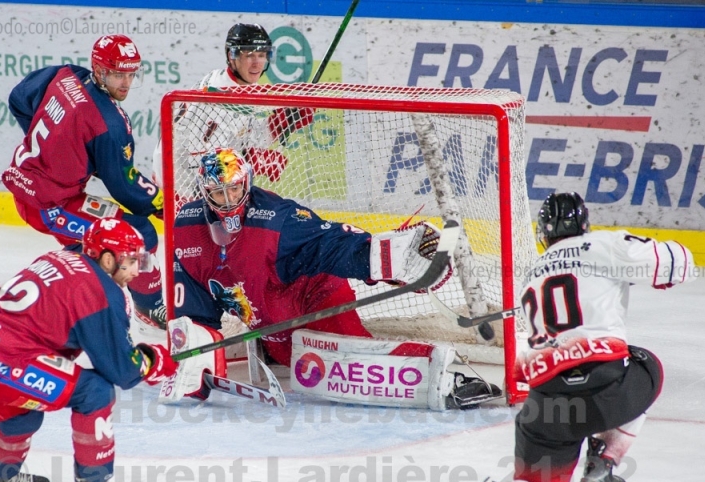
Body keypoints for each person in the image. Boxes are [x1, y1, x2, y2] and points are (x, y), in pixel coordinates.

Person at [439, 192, 696, 482]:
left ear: (543, 233)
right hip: (608, 389)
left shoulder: (532, 272)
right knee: (648, 366)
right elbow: (680, 263)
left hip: (545, 403)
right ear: (584, 224)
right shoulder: (606, 246)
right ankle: (602, 464)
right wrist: (626, 268)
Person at [168, 147, 499, 411]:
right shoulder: (186, 230)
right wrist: (195, 346)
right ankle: (274, 348)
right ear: (203, 192)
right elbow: (193, 304)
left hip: (316, 297)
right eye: (218, 192)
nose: (228, 200)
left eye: (235, 188)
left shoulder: (276, 220)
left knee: (356, 361)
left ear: (248, 181)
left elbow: (330, 245)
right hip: (273, 323)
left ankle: (441, 376)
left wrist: (384, 258)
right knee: (297, 361)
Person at [0, 217, 178, 482]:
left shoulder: (63, 256)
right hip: (2, 358)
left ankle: (0, 478)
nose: (136, 271)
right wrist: (156, 359)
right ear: (107, 259)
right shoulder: (99, 292)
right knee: (95, 391)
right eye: (131, 260)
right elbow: (121, 370)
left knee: (21, 409)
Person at [0, 34, 167, 330]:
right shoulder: (109, 123)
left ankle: (60, 298)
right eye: (117, 74)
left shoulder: (66, 76)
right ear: (100, 70)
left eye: (130, 74)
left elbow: (19, 98)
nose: (125, 83)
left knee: (108, 241)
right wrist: (158, 202)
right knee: (138, 236)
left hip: (33, 185)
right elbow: (124, 186)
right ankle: (145, 310)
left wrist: (59, 146)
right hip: (49, 204)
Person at [152, 23, 313, 197]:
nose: (257, 63)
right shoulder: (218, 96)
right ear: (232, 55)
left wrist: (278, 124)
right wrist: (255, 159)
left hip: (195, 183)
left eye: (261, 55)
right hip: (180, 189)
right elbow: (205, 163)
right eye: (249, 55)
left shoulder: (237, 85)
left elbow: (241, 135)